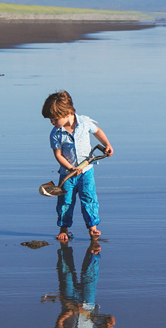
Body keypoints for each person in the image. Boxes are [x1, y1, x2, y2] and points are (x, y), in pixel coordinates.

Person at [42, 90, 114, 242]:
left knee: (89, 198)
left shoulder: (84, 123)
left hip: (86, 171)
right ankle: (63, 228)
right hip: (67, 174)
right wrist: (70, 168)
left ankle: (93, 227)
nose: (52, 123)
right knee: (65, 201)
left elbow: (98, 131)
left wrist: (106, 144)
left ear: (66, 113)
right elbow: (58, 155)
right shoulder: (55, 133)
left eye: (54, 119)